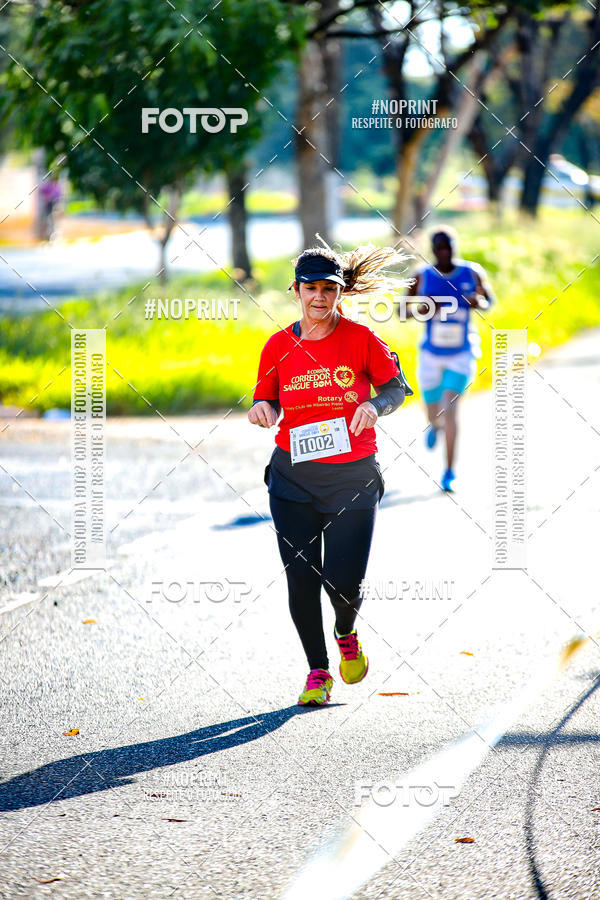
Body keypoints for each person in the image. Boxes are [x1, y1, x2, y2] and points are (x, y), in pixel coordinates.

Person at [248, 242, 412, 707]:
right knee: (300, 578)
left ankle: (346, 629)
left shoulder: (362, 339)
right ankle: (317, 672)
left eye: (328, 289)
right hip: (292, 479)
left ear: (339, 293)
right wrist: (263, 407)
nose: (319, 297)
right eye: (311, 288)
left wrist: (373, 405)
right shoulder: (278, 346)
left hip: (352, 477)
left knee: (343, 581)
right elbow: (269, 399)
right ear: (296, 290)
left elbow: (397, 388)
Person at [404, 226, 495, 492]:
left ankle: (449, 472)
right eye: (439, 248)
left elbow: (489, 301)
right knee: (434, 411)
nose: (445, 252)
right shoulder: (422, 275)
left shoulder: (472, 272)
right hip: (431, 354)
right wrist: (423, 309)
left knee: (452, 409)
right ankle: (434, 425)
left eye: (449, 247)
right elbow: (402, 310)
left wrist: (478, 303)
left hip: (462, 352)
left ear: (455, 246)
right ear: (433, 250)